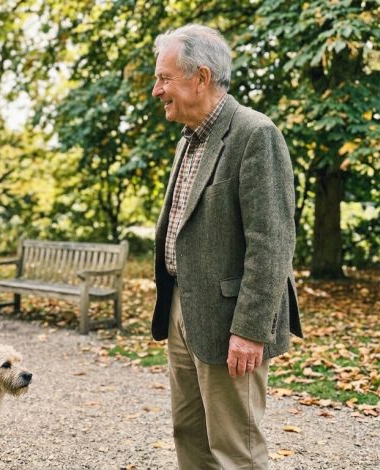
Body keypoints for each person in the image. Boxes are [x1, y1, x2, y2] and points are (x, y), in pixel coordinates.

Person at [150, 25, 302, 469]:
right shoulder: (189, 139)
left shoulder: (256, 134)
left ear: (200, 77)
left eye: (165, 78)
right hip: (182, 308)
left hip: (232, 320)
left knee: (236, 450)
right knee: (190, 437)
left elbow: (272, 243)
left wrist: (251, 330)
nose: (157, 90)